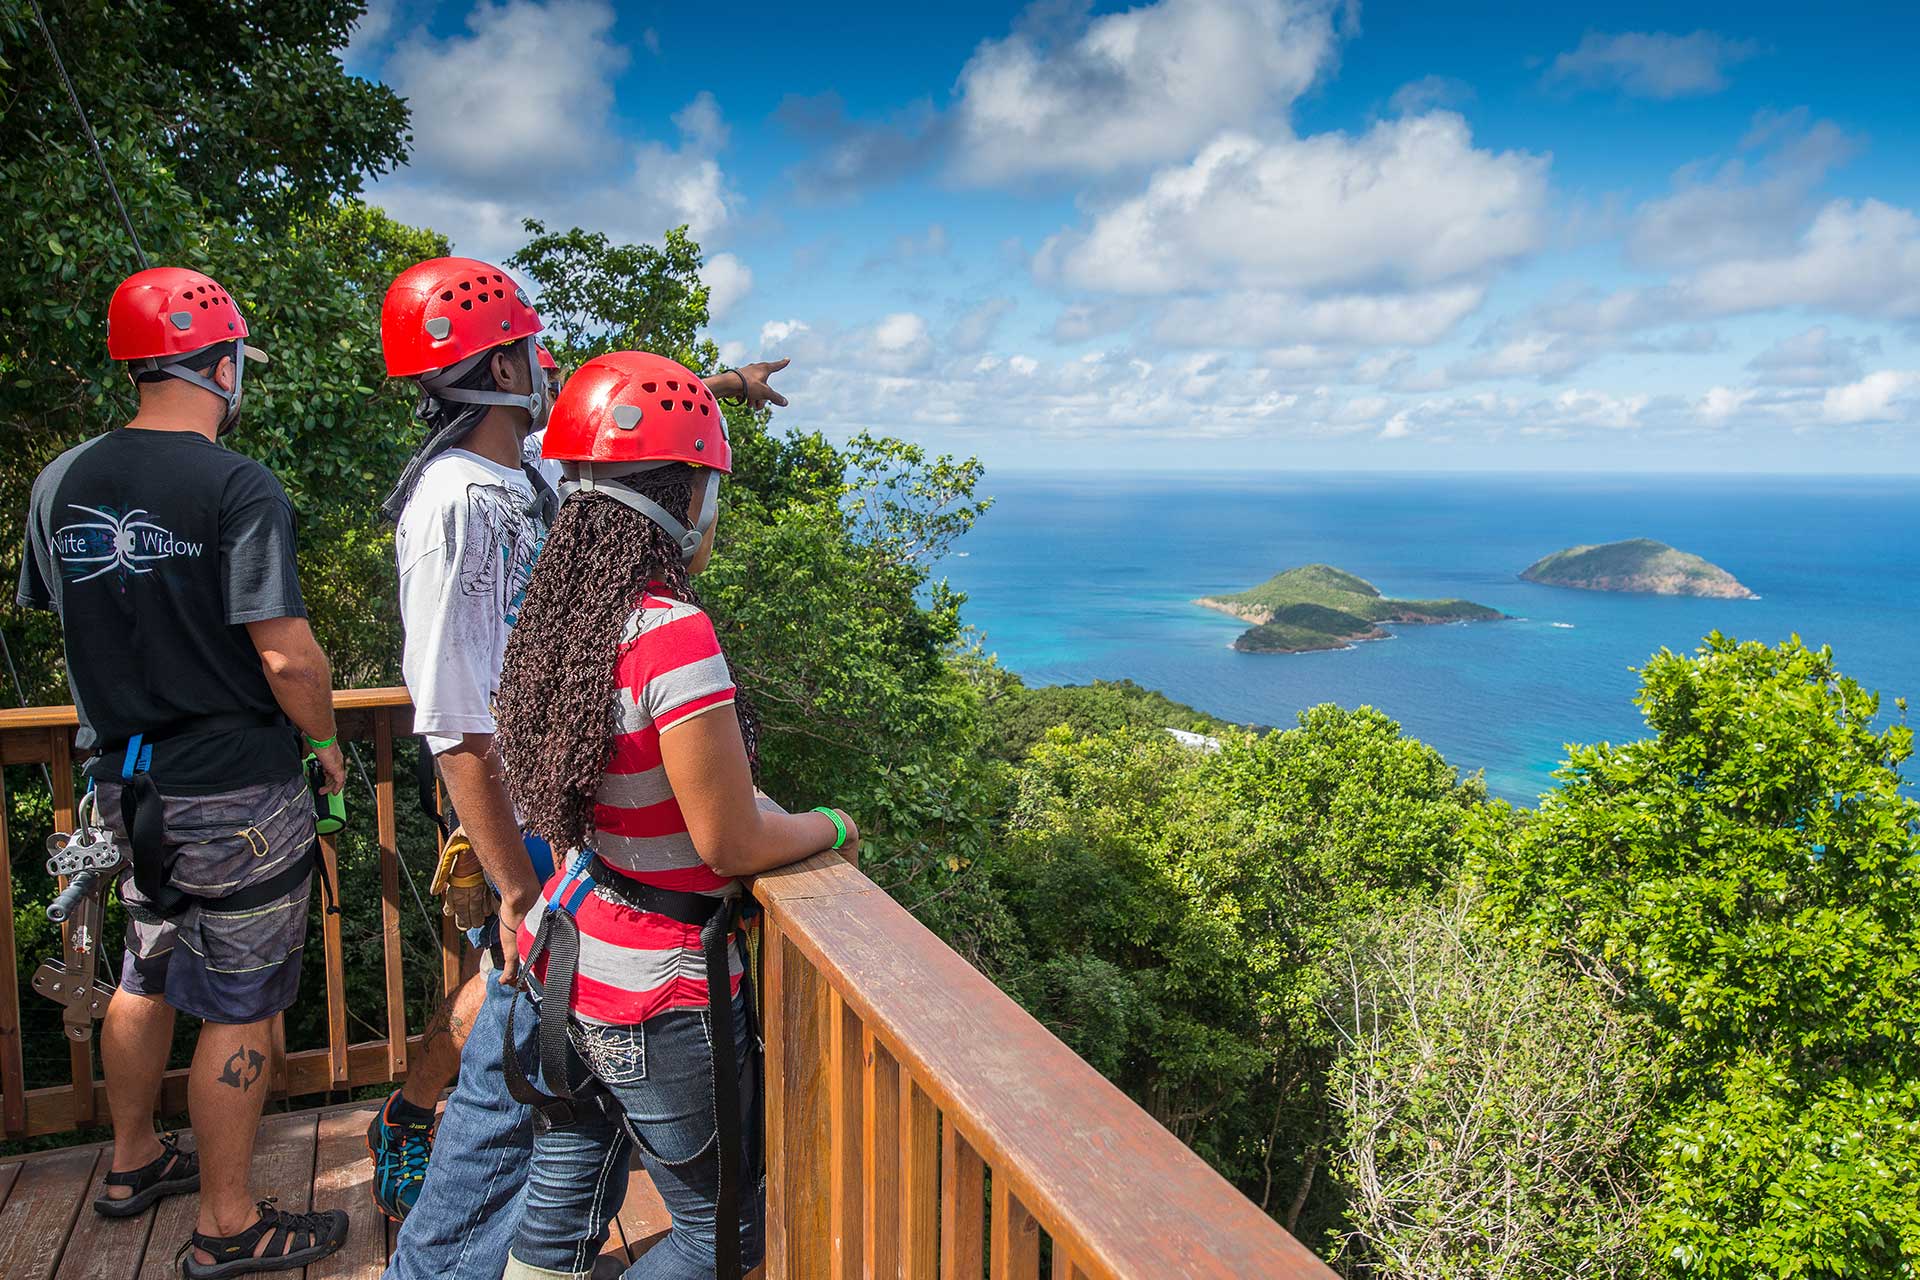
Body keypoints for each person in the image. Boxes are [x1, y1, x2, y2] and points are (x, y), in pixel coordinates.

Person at [372, 258, 791, 1273]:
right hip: (550, 853)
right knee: (503, 1106)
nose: (548, 372)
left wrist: (723, 387)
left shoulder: (524, 475)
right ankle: (430, 1265)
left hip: (574, 842)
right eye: (532, 351)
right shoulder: (455, 504)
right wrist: (518, 884)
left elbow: (627, 446)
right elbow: (454, 725)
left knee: (551, 1130)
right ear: (506, 360)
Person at [491, 350, 859, 1280]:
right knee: (721, 1240)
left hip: (570, 947)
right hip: (657, 988)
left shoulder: (566, 615)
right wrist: (832, 827)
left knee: (562, 1203)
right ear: (687, 500)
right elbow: (729, 840)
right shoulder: (669, 629)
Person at [16, 266, 350, 1278]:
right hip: (233, 780)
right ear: (220, 361)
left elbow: (67, 608)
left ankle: (129, 1162)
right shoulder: (237, 484)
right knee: (240, 1000)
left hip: (119, 779)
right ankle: (228, 1220)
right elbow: (285, 653)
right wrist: (328, 740)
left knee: (146, 964)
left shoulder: (59, 481)